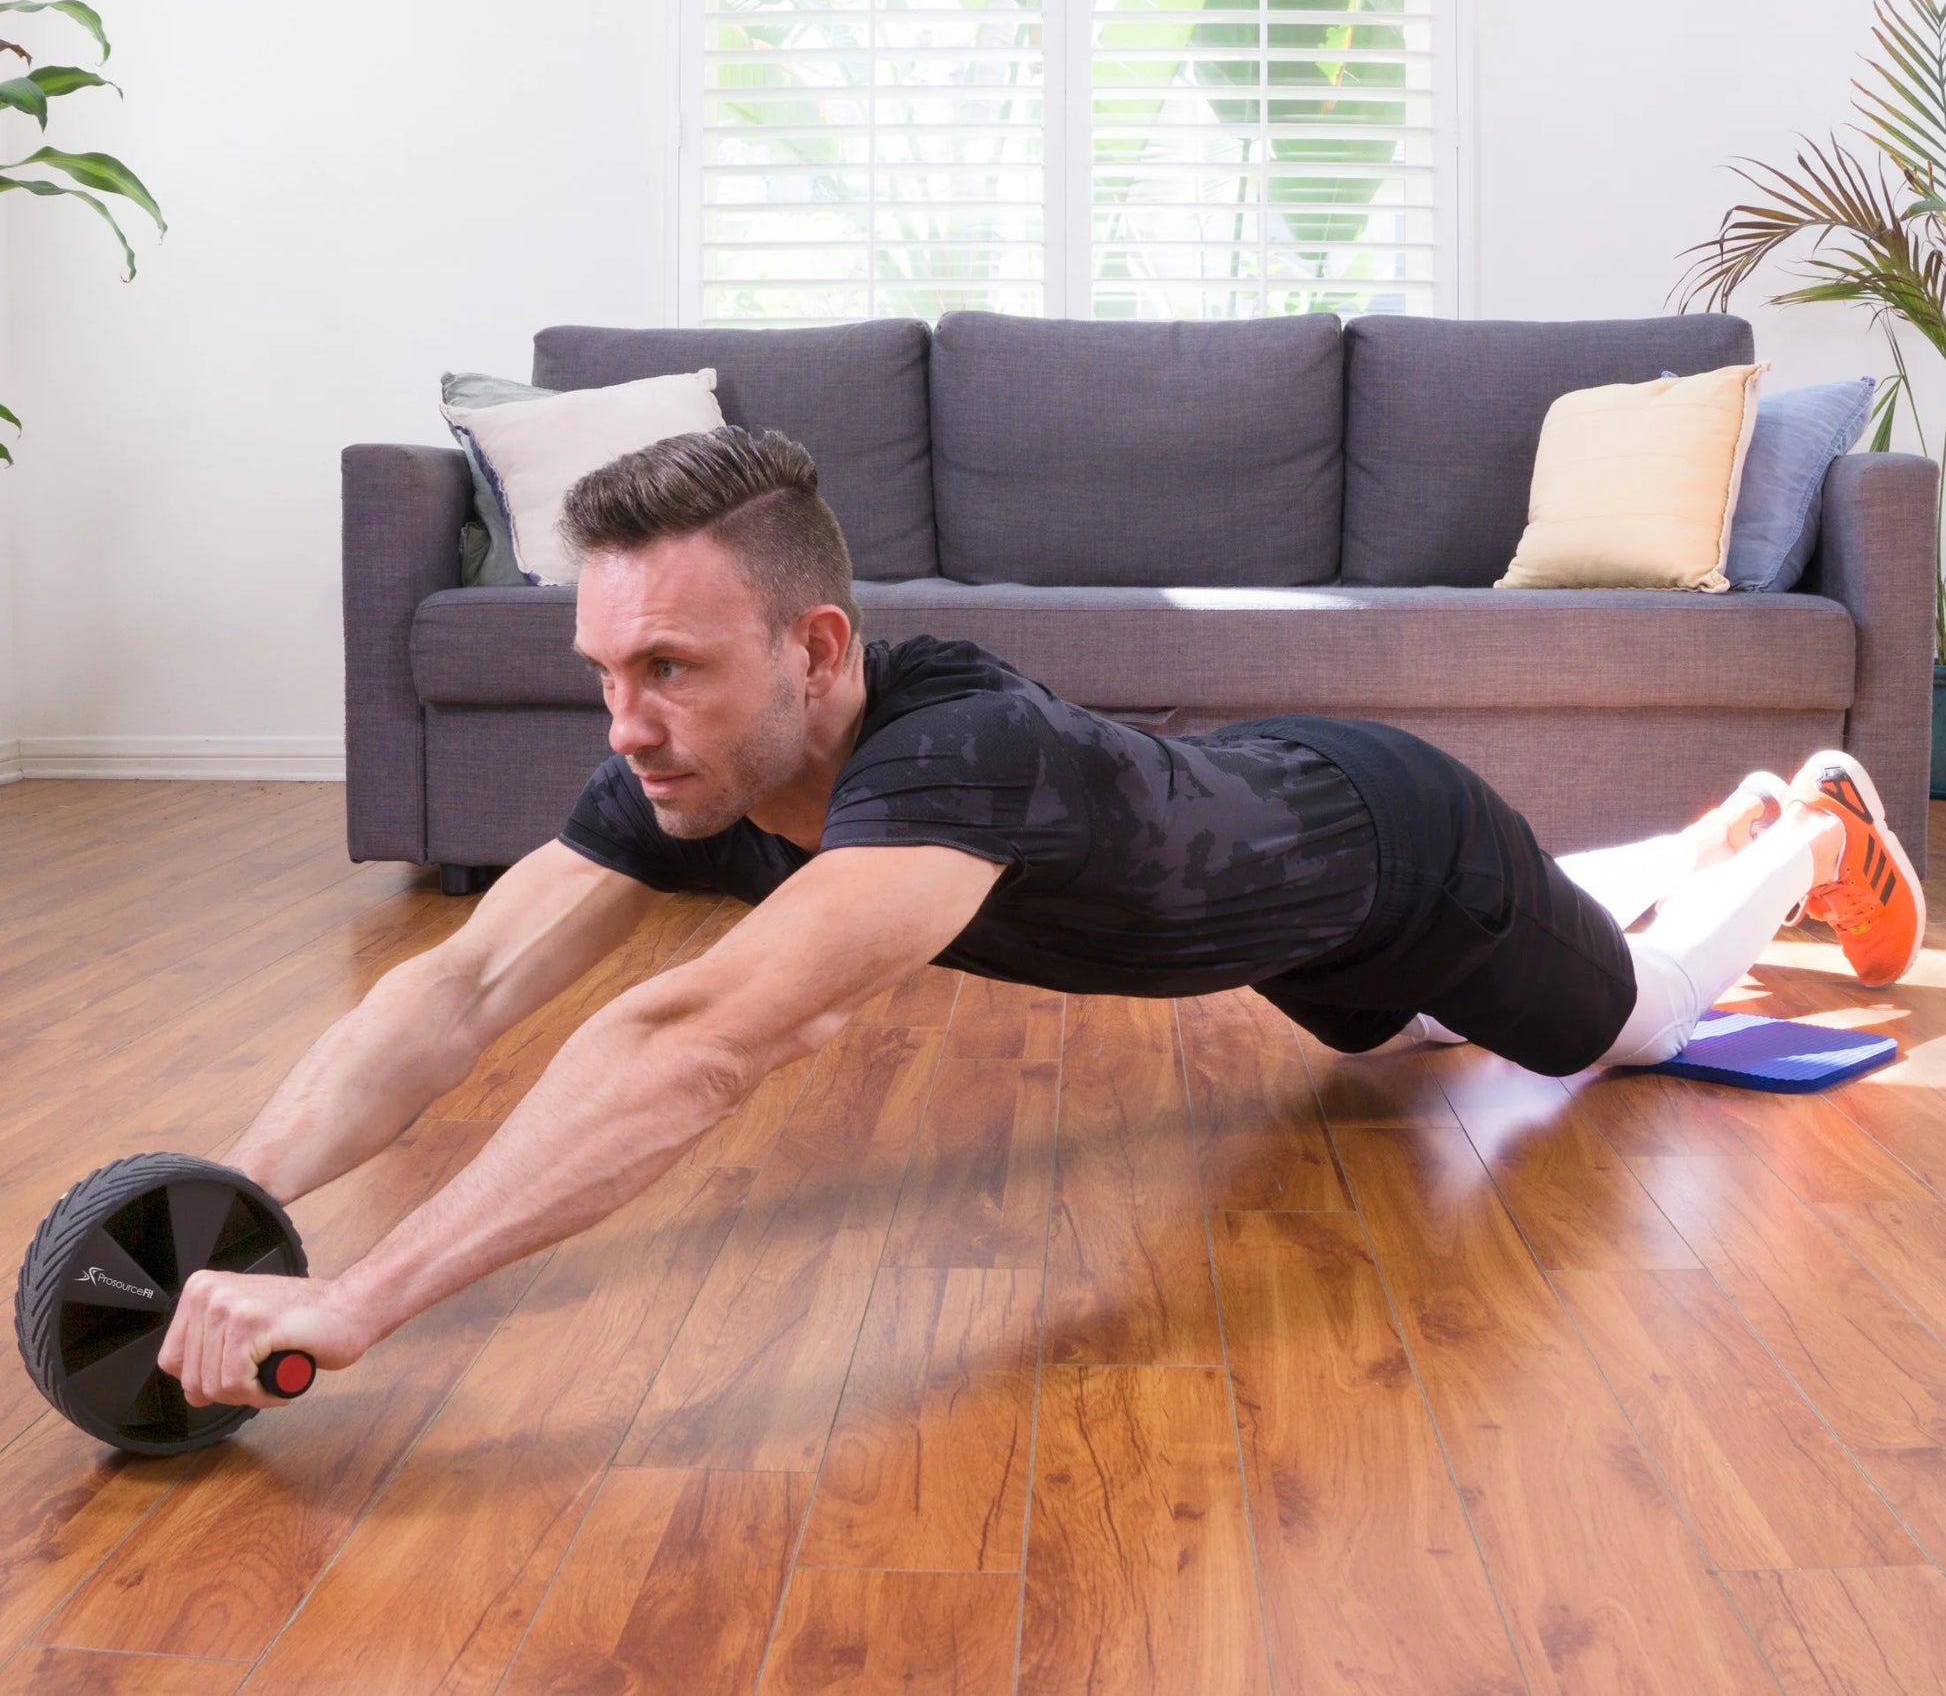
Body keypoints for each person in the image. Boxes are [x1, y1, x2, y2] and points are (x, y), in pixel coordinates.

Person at [157, 427, 1926, 1410]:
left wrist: (365, 1300)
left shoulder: (954, 762)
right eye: (606, 671)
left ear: (816, 651)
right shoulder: (692, 762)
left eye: (670, 667)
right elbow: (461, 980)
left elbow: (685, 1038)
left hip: (1406, 842)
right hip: (1287, 900)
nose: (624, 722)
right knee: (1413, 1032)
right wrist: (209, 1219)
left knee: (1639, 1022)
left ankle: (1804, 823)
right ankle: (1712, 827)